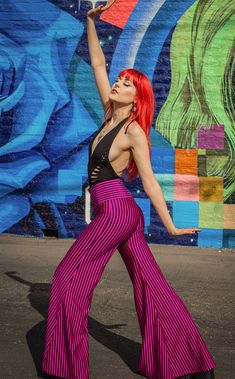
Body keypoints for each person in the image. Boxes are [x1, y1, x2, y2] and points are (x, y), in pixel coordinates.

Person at [41, 1, 216, 378]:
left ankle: (65, 369)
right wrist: (90, 21)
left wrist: (170, 225)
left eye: (125, 83)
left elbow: (149, 179)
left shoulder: (134, 130)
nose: (117, 83)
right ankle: (193, 362)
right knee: (151, 285)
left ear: (136, 96)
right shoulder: (109, 113)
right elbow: (99, 63)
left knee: (66, 280)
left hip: (117, 211)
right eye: (118, 80)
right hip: (114, 212)